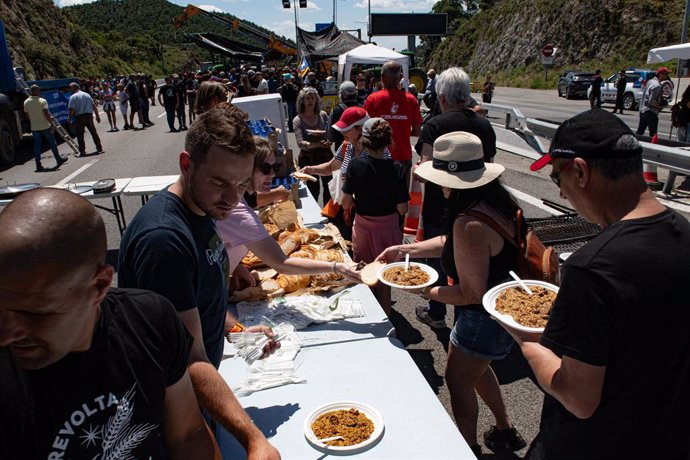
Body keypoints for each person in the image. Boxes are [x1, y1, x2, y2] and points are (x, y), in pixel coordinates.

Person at [512, 109, 690, 459]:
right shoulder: (683, 231)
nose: (561, 194)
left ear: (580, 171)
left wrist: (527, 342)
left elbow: (578, 398)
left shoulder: (592, 269)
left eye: (556, 178)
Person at [0, 188, 216, 459]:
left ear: (100, 285)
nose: (6, 333)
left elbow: (187, 434)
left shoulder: (149, 320)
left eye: (34, 314)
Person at [118, 105, 281, 459]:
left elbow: (199, 295)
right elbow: (188, 357)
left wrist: (235, 330)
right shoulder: (164, 239)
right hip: (173, 415)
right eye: (220, 182)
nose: (232, 198)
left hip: (198, 395)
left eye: (240, 184)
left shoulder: (205, 209)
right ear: (186, 164)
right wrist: (253, 438)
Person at [377, 131, 526, 458]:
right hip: (499, 313)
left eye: (440, 178)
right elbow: (451, 244)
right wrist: (408, 249)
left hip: (481, 318)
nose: (436, 186)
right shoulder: (489, 203)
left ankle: (467, 449)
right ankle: (505, 430)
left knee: (457, 380)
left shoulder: (468, 222)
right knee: (477, 369)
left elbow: (471, 292)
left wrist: (426, 290)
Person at [217, 137, 360, 290]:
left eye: (275, 167)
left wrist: (236, 266)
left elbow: (226, 240)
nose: (272, 174)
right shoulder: (240, 214)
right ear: (246, 170)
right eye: (266, 169)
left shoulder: (239, 198)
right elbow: (281, 263)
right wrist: (335, 267)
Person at [414, 67, 497, 330]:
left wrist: (420, 169)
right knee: (468, 268)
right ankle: (464, 321)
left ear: (441, 98)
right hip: (477, 208)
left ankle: (436, 311)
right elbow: (489, 167)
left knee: (439, 262)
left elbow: (425, 171)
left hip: (440, 208)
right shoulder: (484, 124)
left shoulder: (435, 125)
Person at [342, 118, 409, 312]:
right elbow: (402, 209)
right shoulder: (397, 169)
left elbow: (345, 201)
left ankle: (369, 315)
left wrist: (358, 201)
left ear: (364, 140)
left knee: (364, 272)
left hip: (363, 226)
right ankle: (387, 320)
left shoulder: (355, 165)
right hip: (388, 228)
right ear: (388, 142)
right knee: (385, 276)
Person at [302, 107, 380, 240]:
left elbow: (379, 184)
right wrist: (310, 169)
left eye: (347, 129)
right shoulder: (347, 146)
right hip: (347, 209)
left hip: (368, 214)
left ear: (360, 128)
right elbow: (330, 167)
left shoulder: (376, 152)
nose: (343, 132)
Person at [364, 60, 422, 189]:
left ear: (382, 78)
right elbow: (417, 131)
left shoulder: (373, 99)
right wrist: (403, 132)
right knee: (401, 200)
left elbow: (365, 130)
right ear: (401, 77)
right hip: (403, 156)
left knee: (379, 199)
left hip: (378, 156)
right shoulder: (411, 100)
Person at [293, 87, 333, 203]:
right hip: (307, 158)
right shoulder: (297, 120)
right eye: (307, 98)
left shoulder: (323, 115)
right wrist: (317, 144)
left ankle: (329, 213)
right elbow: (301, 144)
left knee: (329, 186)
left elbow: (329, 134)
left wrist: (328, 141)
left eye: (312, 98)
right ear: (302, 101)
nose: (310, 101)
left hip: (325, 156)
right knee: (312, 189)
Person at [23, 84, 67, 171]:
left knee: (37, 146)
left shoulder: (26, 102)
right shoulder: (42, 101)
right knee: (52, 143)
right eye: (39, 90)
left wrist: (34, 120)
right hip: (45, 126)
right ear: (37, 91)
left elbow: (27, 115)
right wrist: (52, 124)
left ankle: (38, 165)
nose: (39, 92)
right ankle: (58, 159)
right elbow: (46, 114)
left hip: (35, 127)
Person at [67, 82, 104, 157]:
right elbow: (93, 105)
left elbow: (72, 109)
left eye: (70, 88)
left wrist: (69, 118)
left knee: (80, 134)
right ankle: (99, 147)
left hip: (80, 117)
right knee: (93, 132)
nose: (69, 89)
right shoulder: (87, 95)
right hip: (89, 116)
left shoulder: (73, 97)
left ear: (74, 87)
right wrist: (97, 116)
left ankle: (82, 151)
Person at [636, 66, 671, 138]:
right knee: (653, 134)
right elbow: (651, 101)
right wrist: (660, 107)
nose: (667, 76)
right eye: (666, 74)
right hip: (651, 112)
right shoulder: (657, 86)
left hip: (643, 110)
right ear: (661, 75)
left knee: (639, 132)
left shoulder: (650, 81)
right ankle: (653, 148)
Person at [328, 81, 359, 152]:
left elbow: (330, 136)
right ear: (355, 94)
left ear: (341, 95)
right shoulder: (362, 109)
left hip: (341, 151)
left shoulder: (335, 111)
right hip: (358, 151)